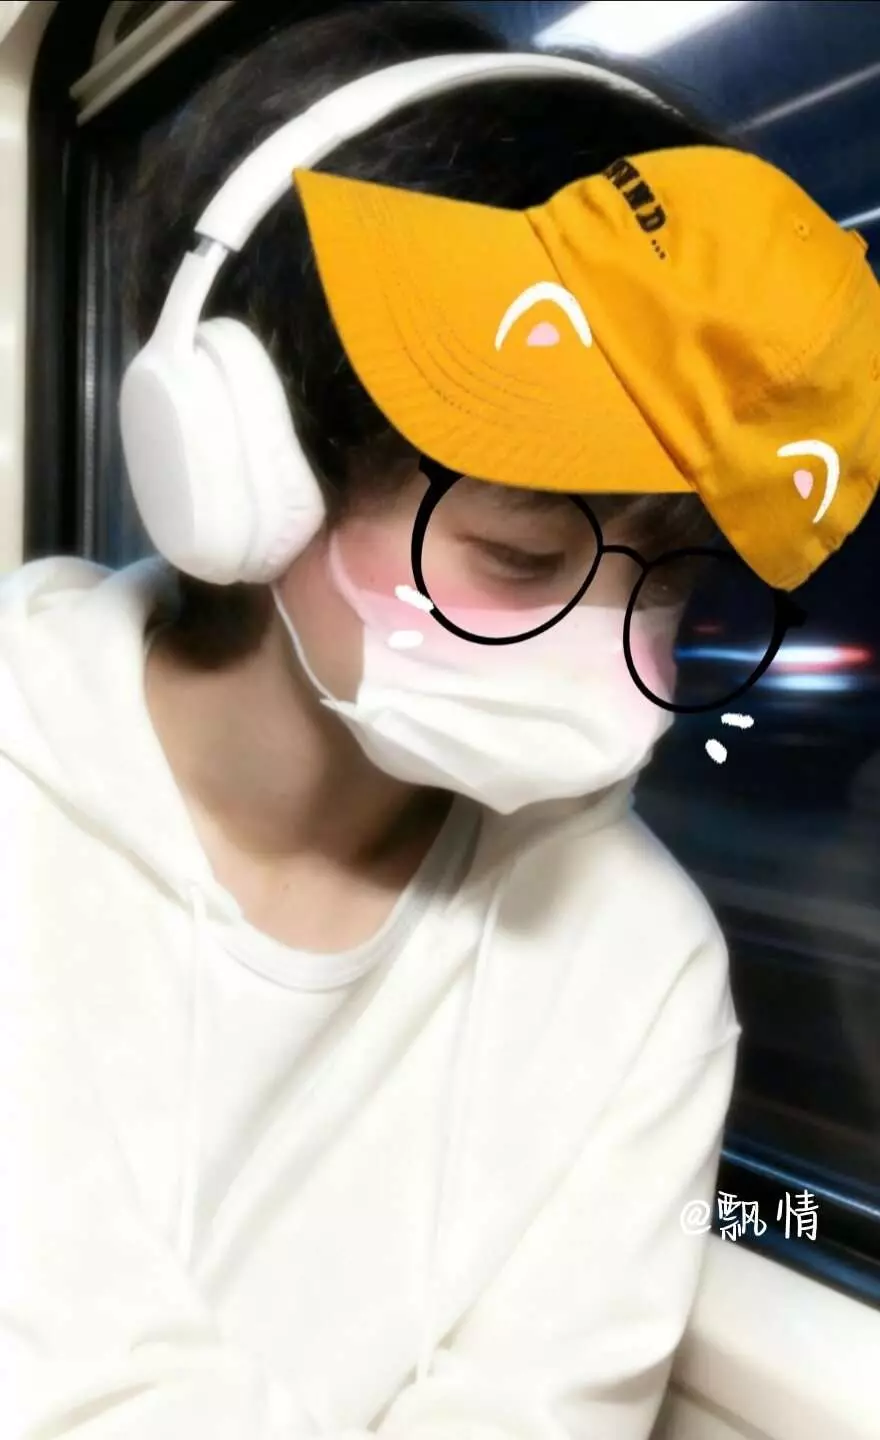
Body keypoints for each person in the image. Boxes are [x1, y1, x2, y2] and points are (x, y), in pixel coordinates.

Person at [0, 5, 750, 1439]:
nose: (627, 664)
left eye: (672, 580)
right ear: (243, 468)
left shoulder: (640, 963)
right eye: (522, 559)